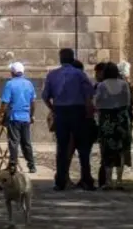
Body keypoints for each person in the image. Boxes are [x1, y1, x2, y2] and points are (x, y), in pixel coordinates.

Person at [41, 47, 95, 191]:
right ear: (72, 58)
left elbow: (45, 96)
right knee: (83, 147)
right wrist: (88, 112)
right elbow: (89, 94)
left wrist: (53, 109)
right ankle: (86, 179)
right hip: (78, 111)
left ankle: (60, 181)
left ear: (60, 59)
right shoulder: (80, 74)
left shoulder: (52, 75)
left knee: (62, 147)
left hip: (61, 111)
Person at [94, 61, 132, 189]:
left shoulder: (102, 85)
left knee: (107, 150)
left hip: (107, 119)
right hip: (121, 118)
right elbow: (127, 101)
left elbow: (97, 102)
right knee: (121, 149)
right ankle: (120, 180)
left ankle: (108, 181)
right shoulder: (124, 84)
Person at [1, 61, 37, 173]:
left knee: (13, 142)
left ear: (12, 72)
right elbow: (33, 102)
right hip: (25, 117)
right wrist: (31, 115)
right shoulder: (29, 84)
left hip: (14, 116)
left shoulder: (10, 84)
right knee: (26, 142)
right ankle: (31, 165)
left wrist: (1, 113)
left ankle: (13, 164)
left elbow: (5, 102)